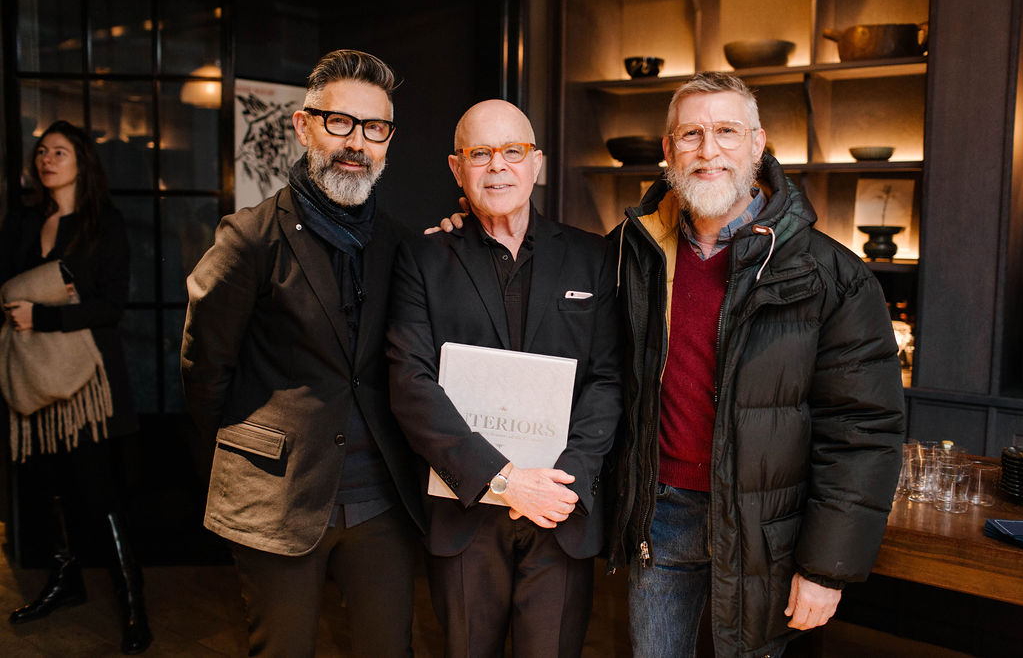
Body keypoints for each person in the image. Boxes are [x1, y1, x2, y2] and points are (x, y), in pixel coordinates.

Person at [607, 72, 905, 657]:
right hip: (660, 515)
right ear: (668, 150)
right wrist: (468, 230)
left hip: (767, 530)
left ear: (758, 144)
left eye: (726, 131)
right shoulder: (627, 251)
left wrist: (827, 567)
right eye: (690, 134)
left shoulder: (832, 275)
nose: (708, 149)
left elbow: (862, 429)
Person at [180, 49, 425, 657]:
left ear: (387, 141)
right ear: (304, 125)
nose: (357, 142)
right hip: (277, 498)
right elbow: (205, 367)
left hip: (381, 503)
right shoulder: (249, 238)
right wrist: (246, 454)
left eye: (374, 128)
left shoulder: (400, 244)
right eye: (340, 122)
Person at [386, 99, 621, 657]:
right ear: (455, 167)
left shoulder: (593, 257)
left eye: (513, 152)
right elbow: (411, 382)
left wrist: (565, 480)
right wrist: (501, 477)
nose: (498, 167)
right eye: (481, 154)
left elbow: (609, 380)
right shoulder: (421, 258)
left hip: (561, 509)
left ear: (536, 163)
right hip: (464, 509)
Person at [0, 120, 151, 654]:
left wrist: (43, 315)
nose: (47, 159)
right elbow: (5, 288)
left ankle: (133, 605)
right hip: (33, 376)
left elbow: (110, 306)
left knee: (97, 491)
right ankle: (66, 583)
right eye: (41, 151)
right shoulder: (23, 221)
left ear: (81, 163)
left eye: (59, 151)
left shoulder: (102, 223)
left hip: (90, 382)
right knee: (49, 488)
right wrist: (42, 300)